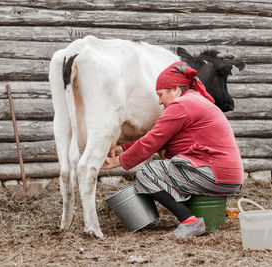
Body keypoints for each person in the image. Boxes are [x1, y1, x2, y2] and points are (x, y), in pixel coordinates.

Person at [102, 62, 244, 238]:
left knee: (147, 173)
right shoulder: (194, 101)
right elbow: (159, 139)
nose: (160, 101)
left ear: (175, 90)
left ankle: (189, 221)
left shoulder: (182, 105)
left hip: (213, 173)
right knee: (164, 169)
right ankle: (204, 212)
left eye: (161, 94)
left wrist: (116, 162)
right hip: (224, 175)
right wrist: (121, 148)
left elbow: (151, 142)